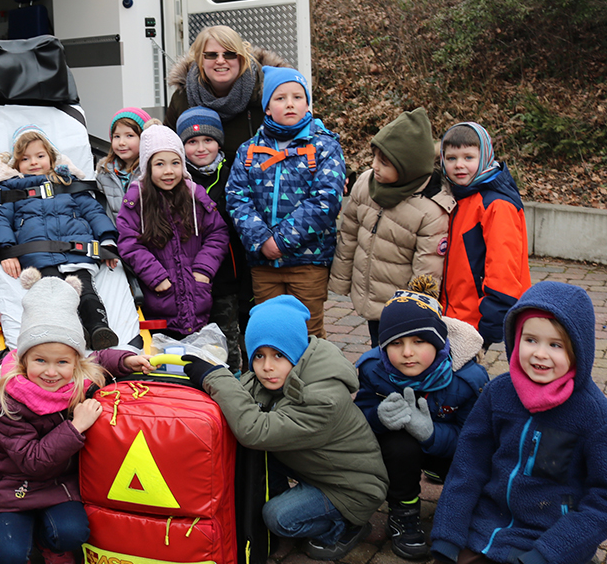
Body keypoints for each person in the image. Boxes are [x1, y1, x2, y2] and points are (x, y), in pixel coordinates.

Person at [429, 282, 607, 564]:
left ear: (579, 350)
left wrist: (553, 552)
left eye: (555, 345)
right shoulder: (497, 394)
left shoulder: (596, 417)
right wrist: (449, 533)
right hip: (488, 526)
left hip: (549, 538)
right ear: (515, 338)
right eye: (530, 340)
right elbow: (468, 466)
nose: (540, 354)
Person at [181, 297, 388, 562]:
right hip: (318, 468)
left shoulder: (324, 397)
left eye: (278, 354)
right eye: (259, 355)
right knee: (253, 459)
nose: (267, 367)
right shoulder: (275, 376)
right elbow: (240, 399)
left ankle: (345, 526)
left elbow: (254, 430)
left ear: (297, 352)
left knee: (278, 518)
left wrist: (214, 376)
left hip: (351, 488)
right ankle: (291, 500)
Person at [0, 271, 151, 564]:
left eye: (62, 362)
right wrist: (75, 427)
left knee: (74, 533)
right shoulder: (5, 400)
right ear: (23, 361)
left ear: (75, 362)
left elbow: (100, 359)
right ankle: (19, 547)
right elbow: (32, 460)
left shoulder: (78, 378)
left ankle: (50, 544)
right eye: (40, 361)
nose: (51, 372)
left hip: (59, 485)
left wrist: (126, 360)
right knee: (8, 555)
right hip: (12, 488)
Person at [354, 277, 488, 561]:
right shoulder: (373, 370)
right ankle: (403, 513)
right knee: (399, 445)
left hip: (448, 449)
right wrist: (377, 418)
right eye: (396, 343)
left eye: (419, 341)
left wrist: (430, 432)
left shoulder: (466, 380)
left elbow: (473, 439)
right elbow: (360, 419)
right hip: (401, 453)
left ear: (439, 343)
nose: (407, 352)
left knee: (472, 462)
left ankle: (458, 506)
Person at [225, 67, 345, 338]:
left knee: (308, 332)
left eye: (297, 97)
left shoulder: (325, 147)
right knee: (269, 331)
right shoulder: (248, 150)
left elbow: (326, 200)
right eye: (280, 98)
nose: (290, 103)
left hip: (308, 263)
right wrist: (262, 241)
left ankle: (313, 381)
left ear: (307, 104)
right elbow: (236, 198)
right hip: (263, 264)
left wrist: (281, 242)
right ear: (267, 108)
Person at [0, 125, 121, 350]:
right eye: (25, 158)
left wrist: (107, 240)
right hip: (38, 256)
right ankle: (69, 334)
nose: (34, 162)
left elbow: (94, 211)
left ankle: (98, 328)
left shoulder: (68, 184)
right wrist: (5, 249)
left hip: (78, 249)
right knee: (54, 294)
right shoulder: (11, 190)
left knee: (85, 289)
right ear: (16, 164)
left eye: (40, 156)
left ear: (51, 157)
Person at [329, 108, 454, 346]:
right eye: (374, 157)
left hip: (401, 308)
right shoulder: (366, 183)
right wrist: (341, 281)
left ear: (408, 166)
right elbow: (349, 235)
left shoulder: (430, 209)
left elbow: (427, 270)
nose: (374, 166)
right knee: (378, 348)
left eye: (384, 162)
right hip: (369, 293)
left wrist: (415, 312)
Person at [116, 124, 230, 345]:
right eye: (160, 164)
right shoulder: (136, 200)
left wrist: (203, 270)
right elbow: (128, 242)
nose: (169, 171)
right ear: (147, 166)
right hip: (159, 300)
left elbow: (217, 233)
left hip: (197, 296)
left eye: (175, 163)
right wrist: (156, 276)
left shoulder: (195, 195)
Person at [439, 121, 531, 348]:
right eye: (451, 158)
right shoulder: (458, 196)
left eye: (468, 157)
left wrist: (490, 324)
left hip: (475, 321)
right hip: (451, 314)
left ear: (485, 157)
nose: (459, 165)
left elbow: (503, 271)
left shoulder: (496, 205)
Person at [177, 106, 252, 369]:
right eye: (192, 142)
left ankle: (234, 379)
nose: (201, 148)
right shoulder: (177, 179)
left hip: (228, 277)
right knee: (196, 336)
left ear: (218, 142)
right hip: (190, 276)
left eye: (208, 140)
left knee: (228, 334)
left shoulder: (233, 174)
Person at [164, 25, 289, 159]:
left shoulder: (266, 94)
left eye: (229, 54)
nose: (220, 61)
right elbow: (166, 147)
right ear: (200, 60)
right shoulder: (184, 97)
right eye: (211, 55)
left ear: (241, 58)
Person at [94, 107, 150, 221]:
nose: (121, 142)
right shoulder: (104, 173)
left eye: (129, 135)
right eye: (117, 136)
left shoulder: (150, 171)